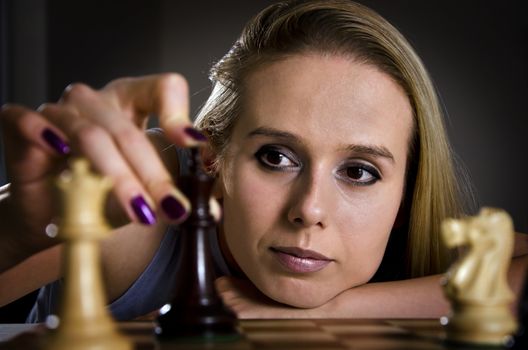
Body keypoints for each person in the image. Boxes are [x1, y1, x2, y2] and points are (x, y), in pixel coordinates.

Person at [0, 0, 527, 321]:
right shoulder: (145, 193)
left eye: (360, 171)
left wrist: (339, 307)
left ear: (405, 188)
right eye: (275, 157)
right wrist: (18, 232)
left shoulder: (400, 225)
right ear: (212, 156)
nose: (310, 210)